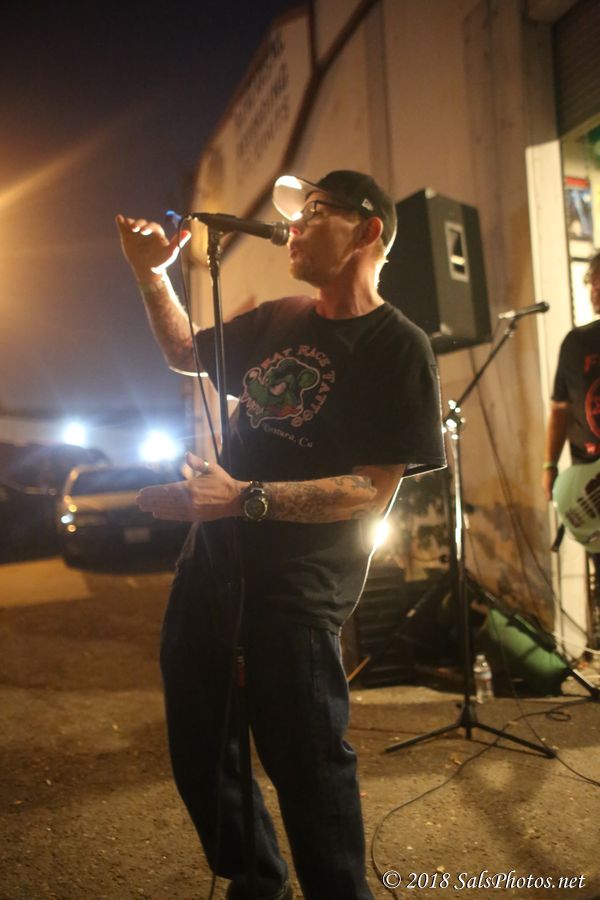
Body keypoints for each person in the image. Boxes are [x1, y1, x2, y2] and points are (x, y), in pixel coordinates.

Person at [116, 170, 446, 900]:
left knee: (308, 767)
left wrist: (244, 498)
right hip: (212, 565)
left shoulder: (398, 346)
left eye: (317, 210)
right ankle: (257, 879)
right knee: (201, 744)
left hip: (299, 590)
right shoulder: (278, 317)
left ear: (368, 231)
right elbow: (184, 352)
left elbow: (370, 490)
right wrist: (151, 275)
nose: (294, 225)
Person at [542, 250, 600, 607]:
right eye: (593, 283)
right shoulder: (575, 343)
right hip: (589, 486)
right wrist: (549, 464)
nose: (596, 291)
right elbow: (560, 412)